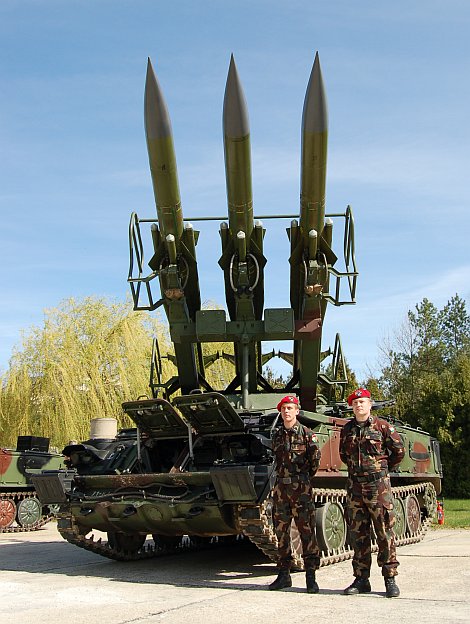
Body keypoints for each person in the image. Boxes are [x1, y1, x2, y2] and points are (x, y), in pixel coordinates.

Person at [339, 388, 405, 598]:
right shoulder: (347, 429)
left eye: (362, 402)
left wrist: (381, 470)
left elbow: (398, 451)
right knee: (358, 534)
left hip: (378, 487)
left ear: (370, 405)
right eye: (355, 403)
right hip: (355, 487)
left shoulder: (383, 427)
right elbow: (343, 455)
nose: (359, 405)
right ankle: (361, 579)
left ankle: (390, 578)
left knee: (384, 532)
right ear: (352, 407)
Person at [269, 395, 321, 593]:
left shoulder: (308, 435)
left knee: (306, 532)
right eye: (284, 408)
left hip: (301, 490)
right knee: (281, 533)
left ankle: (311, 577)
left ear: (297, 411)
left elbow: (314, 462)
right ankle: (284, 575)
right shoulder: (277, 436)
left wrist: (302, 480)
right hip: (281, 490)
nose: (287, 411)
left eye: (290, 408)